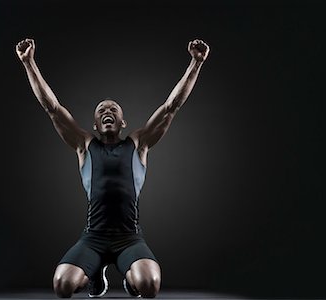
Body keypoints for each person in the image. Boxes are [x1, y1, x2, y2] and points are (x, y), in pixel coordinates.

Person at [15, 37, 210, 298]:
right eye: (101, 109)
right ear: (95, 124)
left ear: (122, 122)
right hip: (93, 237)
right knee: (62, 286)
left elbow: (170, 107)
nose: (107, 110)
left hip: (129, 238)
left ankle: (131, 281)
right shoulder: (84, 145)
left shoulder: (139, 143)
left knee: (149, 286)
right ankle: (94, 276)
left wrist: (196, 63)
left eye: (113, 109)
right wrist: (29, 63)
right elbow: (52, 108)